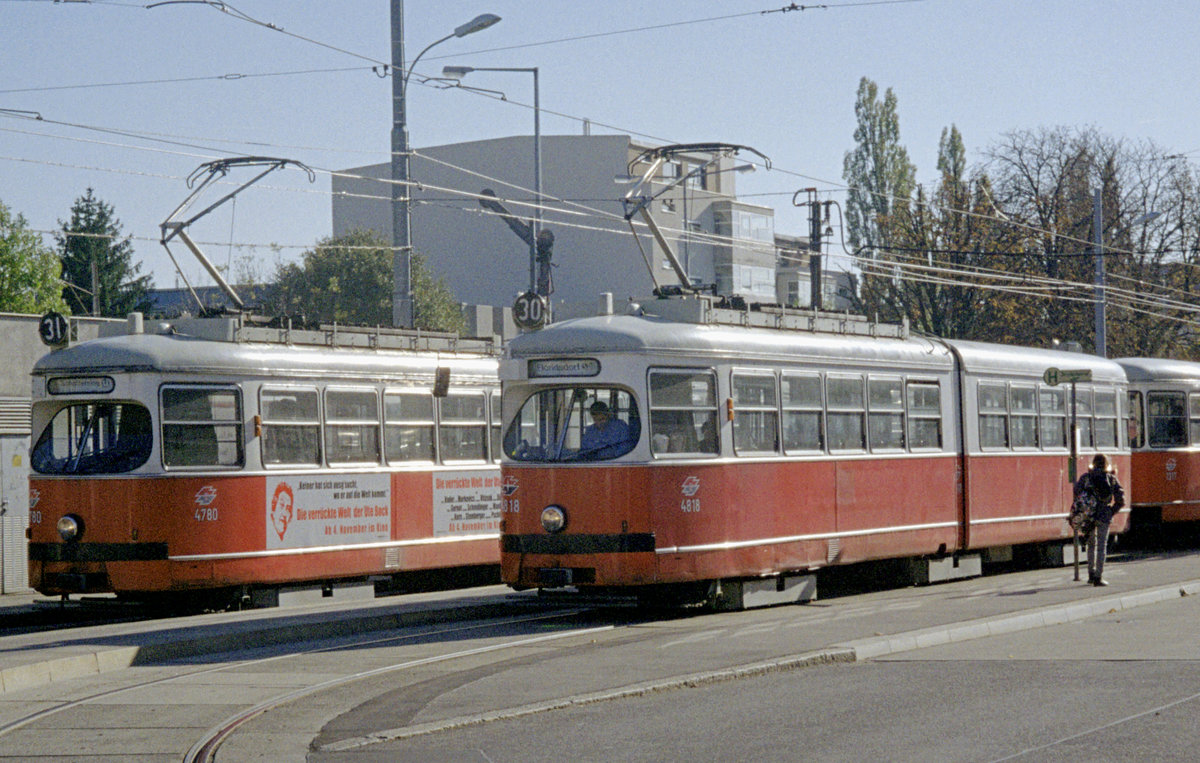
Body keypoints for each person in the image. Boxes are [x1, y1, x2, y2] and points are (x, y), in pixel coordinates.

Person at [1073, 453, 1125, 586]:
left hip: (1089, 515)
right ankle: (1098, 577)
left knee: (1091, 545)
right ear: (1106, 464)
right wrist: (1110, 512)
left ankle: (1090, 574)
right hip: (1104, 515)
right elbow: (1121, 500)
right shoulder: (1111, 479)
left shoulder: (1086, 478)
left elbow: (1076, 491)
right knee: (1101, 546)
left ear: (1094, 463)